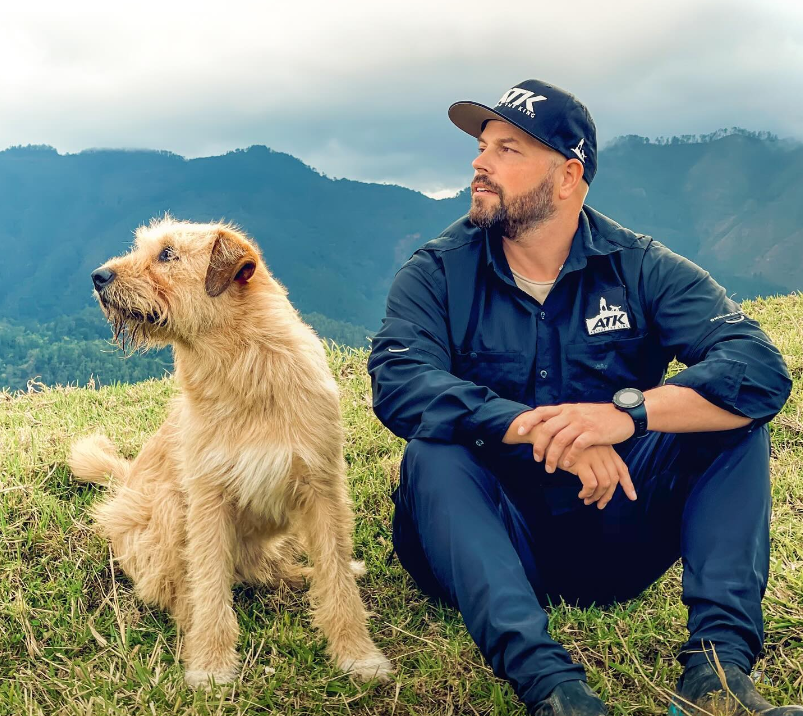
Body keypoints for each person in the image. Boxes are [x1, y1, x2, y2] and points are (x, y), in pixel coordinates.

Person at [367, 79, 799, 715]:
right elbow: (399, 381)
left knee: (734, 419)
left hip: (612, 535)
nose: (480, 164)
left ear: (567, 177)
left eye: (508, 149)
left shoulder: (639, 266)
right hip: (484, 536)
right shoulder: (437, 271)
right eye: (483, 146)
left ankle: (718, 678)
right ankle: (555, 692)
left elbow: (759, 369)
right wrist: (543, 431)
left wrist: (627, 415)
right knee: (435, 450)